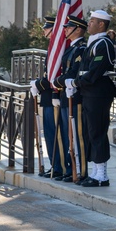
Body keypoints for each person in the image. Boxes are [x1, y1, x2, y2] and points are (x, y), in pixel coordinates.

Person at [68, 10, 116, 187]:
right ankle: (96, 172)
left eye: (92, 21)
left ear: (101, 24)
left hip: (98, 92)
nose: (88, 24)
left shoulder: (103, 44)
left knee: (98, 132)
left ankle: (102, 175)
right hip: (90, 92)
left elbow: (95, 71)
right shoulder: (94, 42)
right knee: (91, 132)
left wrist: (75, 83)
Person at [30, 16, 70, 178]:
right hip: (48, 97)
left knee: (57, 134)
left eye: (47, 28)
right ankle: (55, 165)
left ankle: (60, 167)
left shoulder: (59, 49)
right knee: (50, 134)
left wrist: (38, 84)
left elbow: (54, 76)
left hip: (55, 96)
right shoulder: (52, 48)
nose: (44, 30)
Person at [52, 15, 88, 182]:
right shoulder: (70, 48)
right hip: (66, 95)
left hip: (76, 96)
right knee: (68, 135)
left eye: (69, 27)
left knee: (77, 135)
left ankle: (81, 170)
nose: (65, 29)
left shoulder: (81, 48)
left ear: (78, 29)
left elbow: (73, 72)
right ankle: (70, 168)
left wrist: (57, 81)